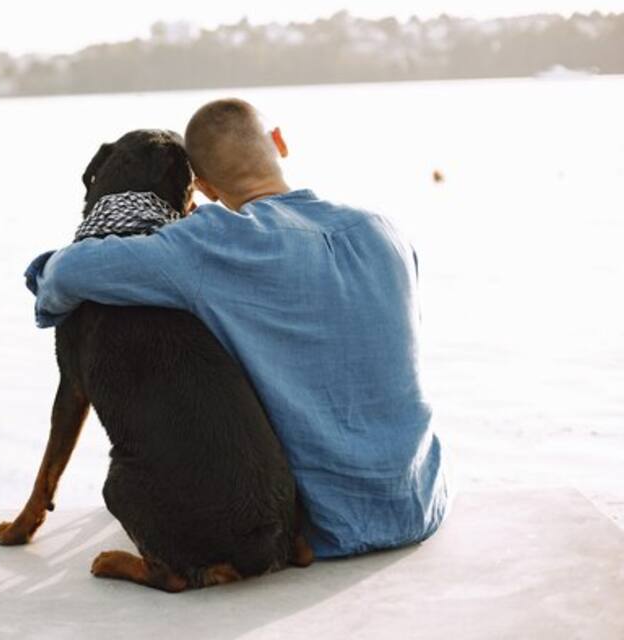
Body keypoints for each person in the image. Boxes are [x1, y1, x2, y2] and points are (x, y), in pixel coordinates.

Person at [25, 98, 448, 558]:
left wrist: (44, 271)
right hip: (420, 503)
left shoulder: (212, 244)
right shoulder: (385, 230)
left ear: (202, 189)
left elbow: (67, 275)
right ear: (280, 143)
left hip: (325, 528)